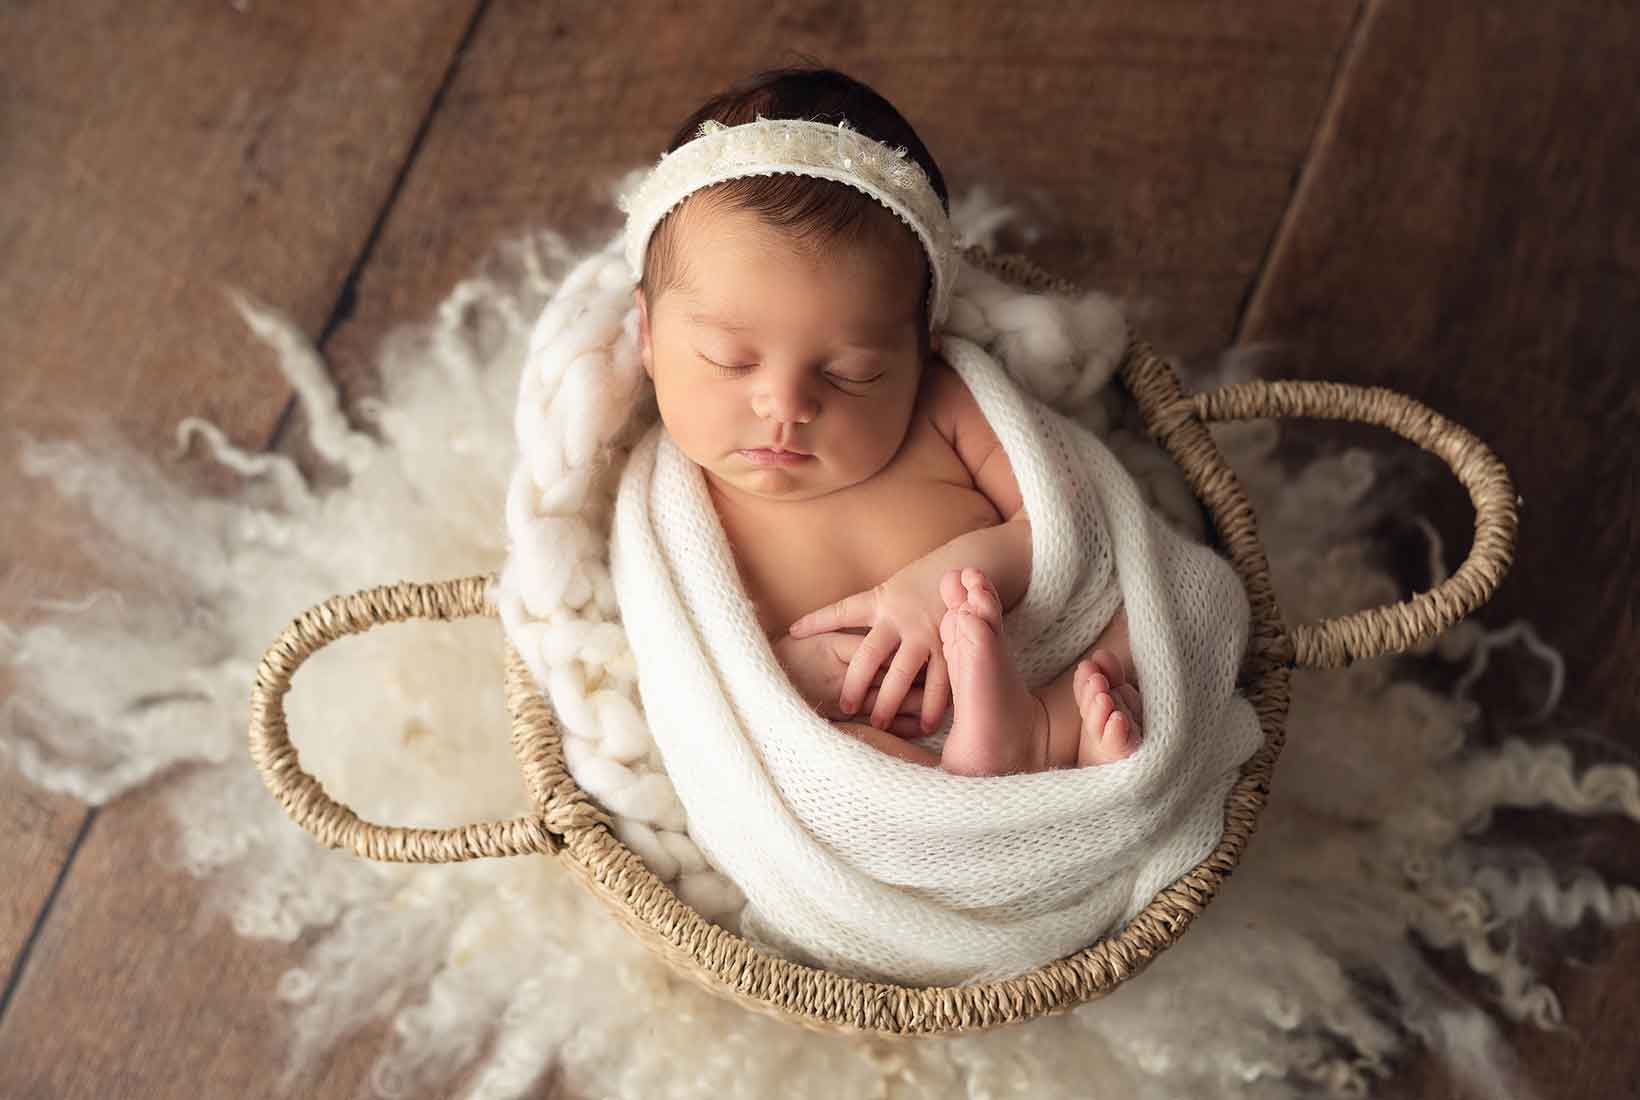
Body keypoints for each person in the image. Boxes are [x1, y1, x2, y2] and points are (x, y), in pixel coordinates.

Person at [627, 66, 1141, 776]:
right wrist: (788, 677)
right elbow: (686, 680)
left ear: (919, 348)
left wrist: (949, 586)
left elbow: (1070, 521)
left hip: (1031, 663)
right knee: (807, 764)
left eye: (850, 372)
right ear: (647, 334)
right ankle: (985, 770)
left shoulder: (946, 406)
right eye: (730, 360)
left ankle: (1041, 736)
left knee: (1142, 634)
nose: (785, 405)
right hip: (873, 745)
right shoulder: (670, 505)